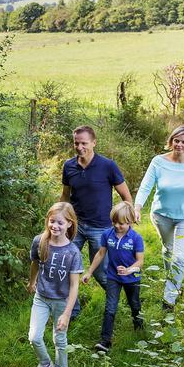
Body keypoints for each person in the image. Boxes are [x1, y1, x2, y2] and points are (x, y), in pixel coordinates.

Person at [134, 125, 184, 310]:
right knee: (168, 250)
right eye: (176, 141)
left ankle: (169, 300)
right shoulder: (158, 162)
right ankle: (172, 278)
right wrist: (137, 207)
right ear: (171, 142)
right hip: (162, 215)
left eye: (183, 142)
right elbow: (146, 186)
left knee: (179, 257)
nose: (179, 144)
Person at [61, 126, 133, 316]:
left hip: (100, 227)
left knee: (101, 272)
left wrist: (127, 220)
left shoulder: (107, 166)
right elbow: (65, 196)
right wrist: (59, 218)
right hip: (74, 226)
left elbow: (125, 196)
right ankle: (72, 312)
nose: (79, 147)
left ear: (94, 143)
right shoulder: (68, 166)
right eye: (76, 143)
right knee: (67, 268)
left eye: (84, 143)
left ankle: (117, 303)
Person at [27, 202, 83, 367]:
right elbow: (35, 263)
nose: (55, 226)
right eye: (52, 221)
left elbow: (75, 285)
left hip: (61, 301)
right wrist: (31, 281)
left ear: (69, 224)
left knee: (59, 339)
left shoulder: (73, 252)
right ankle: (45, 365)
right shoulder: (40, 241)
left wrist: (67, 313)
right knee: (34, 336)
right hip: (41, 297)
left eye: (60, 222)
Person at [83, 201, 144, 352]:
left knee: (134, 304)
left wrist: (129, 270)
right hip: (113, 277)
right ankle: (105, 341)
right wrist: (89, 272)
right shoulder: (107, 234)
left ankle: (139, 326)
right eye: (114, 222)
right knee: (110, 308)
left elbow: (140, 261)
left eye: (121, 223)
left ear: (130, 221)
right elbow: (101, 253)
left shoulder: (136, 238)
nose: (117, 226)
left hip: (132, 278)